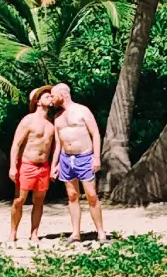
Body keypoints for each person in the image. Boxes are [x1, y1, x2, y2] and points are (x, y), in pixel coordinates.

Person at [49, 82, 106, 244]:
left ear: (62, 94)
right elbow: (58, 143)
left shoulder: (82, 110)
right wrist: (55, 164)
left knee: (91, 195)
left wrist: (96, 157)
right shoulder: (57, 117)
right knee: (72, 196)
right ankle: (76, 233)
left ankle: (101, 233)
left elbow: (95, 133)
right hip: (66, 159)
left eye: (53, 95)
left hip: (84, 157)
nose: (52, 100)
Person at [8, 86, 59, 242]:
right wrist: (12, 166)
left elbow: (55, 148)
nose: (51, 98)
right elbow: (16, 144)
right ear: (37, 101)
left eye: (51, 96)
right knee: (19, 200)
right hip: (27, 164)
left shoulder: (51, 124)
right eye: (47, 96)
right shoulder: (28, 120)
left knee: (39, 200)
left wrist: (54, 166)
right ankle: (13, 233)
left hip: (43, 166)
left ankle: (34, 233)